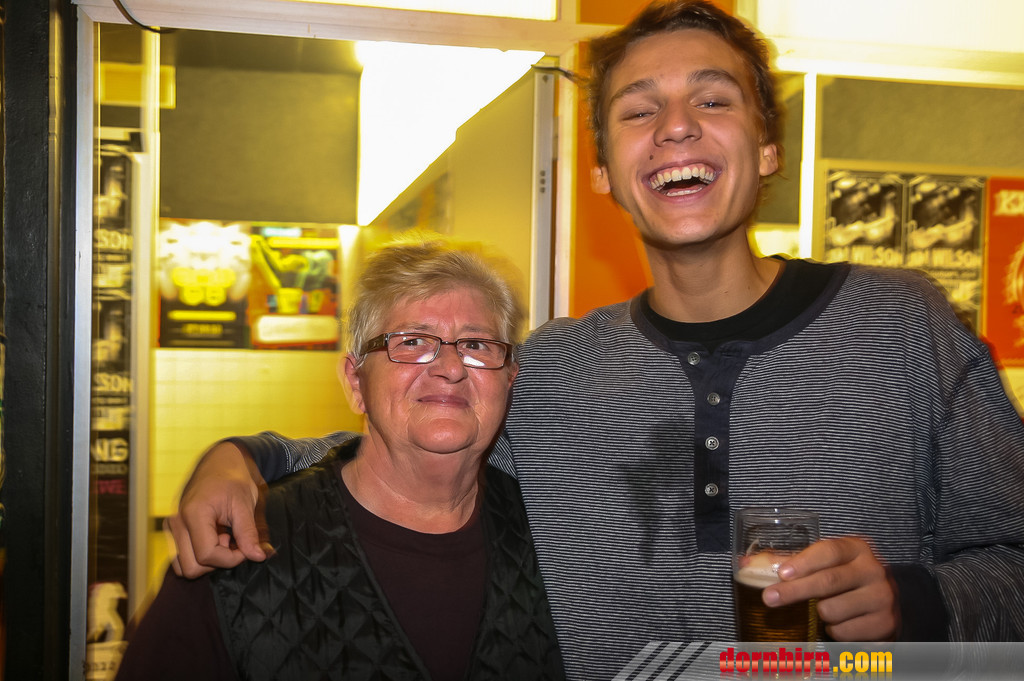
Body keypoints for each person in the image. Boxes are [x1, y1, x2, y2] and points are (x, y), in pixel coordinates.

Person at [168, 1, 1024, 678]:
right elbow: (406, 444)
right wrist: (245, 455)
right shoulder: (553, 366)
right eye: (639, 110)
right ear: (605, 171)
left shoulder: (902, 325)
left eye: (713, 99)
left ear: (767, 147)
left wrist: (919, 604)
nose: (676, 126)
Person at [116, 239, 564, 680]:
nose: (450, 367)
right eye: (411, 341)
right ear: (355, 383)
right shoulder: (240, 543)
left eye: (477, 345)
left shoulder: (556, 536)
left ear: (510, 380)